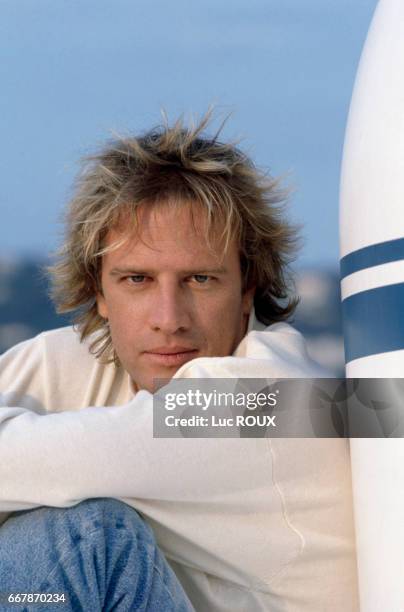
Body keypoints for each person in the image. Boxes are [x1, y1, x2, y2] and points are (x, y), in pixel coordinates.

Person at [0, 113, 358, 611]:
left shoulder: (278, 400)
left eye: (200, 280)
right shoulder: (61, 365)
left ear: (247, 287)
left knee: (82, 539)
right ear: (98, 291)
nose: (168, 319)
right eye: (137, 280)